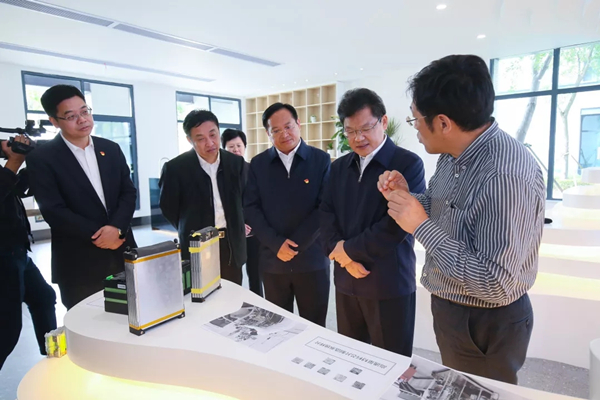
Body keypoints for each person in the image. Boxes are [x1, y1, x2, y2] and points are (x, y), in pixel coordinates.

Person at [378, 54, 545, 384]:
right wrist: (411, 199)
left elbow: (496, 282)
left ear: (443, 123)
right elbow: (447, 209)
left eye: (415, 119)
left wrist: (420, 226)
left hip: (485, 320)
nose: (415, 129)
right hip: (454, 307)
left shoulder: (503, 175)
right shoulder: (454, 153)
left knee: (478, 391)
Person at [320, 88, 425, 356]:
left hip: (388, 283)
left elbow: (395, 226)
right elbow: (326, 214)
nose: (358, 138)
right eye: (350, 131)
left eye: (366, 128)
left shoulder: (408, 164)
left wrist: (347, 252)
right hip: (346, 281)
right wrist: (345, 258)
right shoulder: (338, 167)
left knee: (391, 362)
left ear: (383, 122)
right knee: (351, 359)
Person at [27, 85, 137, 310]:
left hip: (122, 251)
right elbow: (53, 210)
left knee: (132, 317)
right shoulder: (42, 158)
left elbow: (128, 192)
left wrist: (117, 228)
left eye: (85, 111)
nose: (82, 119)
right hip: (78, 263)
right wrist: (102, 235)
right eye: (71, 116)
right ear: (54, 121)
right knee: (86, 323)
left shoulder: (110, 149)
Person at [244, 103, 330, 326]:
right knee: (276, 328)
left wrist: (295, 246)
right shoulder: (258, 164)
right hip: (273, 261)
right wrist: (276, 244)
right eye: (276, 130)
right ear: (268, 133)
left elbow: (325, 207)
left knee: (314, 326)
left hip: (312, 260)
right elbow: (251, 208)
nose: (284, 134)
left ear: (298, 124)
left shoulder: (320, 160)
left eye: (289, 126)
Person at [160, 110, 246, 284]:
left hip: (230, 244)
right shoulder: (176, 168)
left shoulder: (236, 164)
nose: (210, 143)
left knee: (232, 292)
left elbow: (246, 199)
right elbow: (169, 207)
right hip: (197, 244)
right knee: (200, 293)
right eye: (200, 138)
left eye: (213, 135)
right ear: (189, 140)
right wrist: (189, 226)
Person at [0, 135, 57, 370]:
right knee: (7, 327)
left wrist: (30, 161)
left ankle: (53, 355)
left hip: (17, 252)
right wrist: (13, 161)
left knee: (43, 297)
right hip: (3, 257)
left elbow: (18, 190)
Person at [222, 128, 263, 296]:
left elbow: (258, 200)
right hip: (231, 232)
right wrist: (238, 224)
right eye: (231, 147)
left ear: (245, 147)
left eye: (239, 146)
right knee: (232, 277)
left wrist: (249, 223)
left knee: (256, 274)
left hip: (253, 231)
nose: (236, 150)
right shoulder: (219, 174)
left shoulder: (253, 169)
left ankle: (258, 302)